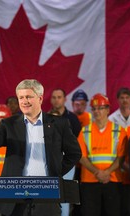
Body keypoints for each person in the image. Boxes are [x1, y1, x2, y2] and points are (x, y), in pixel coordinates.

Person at [0, 79, 81, 216]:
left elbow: (74, 153)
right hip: (15, 196)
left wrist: (55, 172)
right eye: (21, 97)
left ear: (40, 98)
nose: (24, 101)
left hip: (46, 195)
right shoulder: (9, 124)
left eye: (28, 97)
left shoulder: (59, 124)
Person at [78, 93, 126, 216]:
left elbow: (121, 156)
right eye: (94, 109)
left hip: (112, 180)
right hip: (89, 181)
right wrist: (97, 172)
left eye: (100, 108)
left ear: (108, 110)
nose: (96, 111)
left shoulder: (119, 130)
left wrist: (107, 172)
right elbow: (81, 157)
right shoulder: (85, 131)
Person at [50, 88, 81, 216]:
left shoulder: (72, 119)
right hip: (49, 163)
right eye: (54, 97)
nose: (57, 100)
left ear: (64, 99)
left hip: (67, 163)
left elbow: (76, 145)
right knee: (49, 196)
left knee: (64, 197)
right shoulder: (45, 117)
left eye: (59, 97)